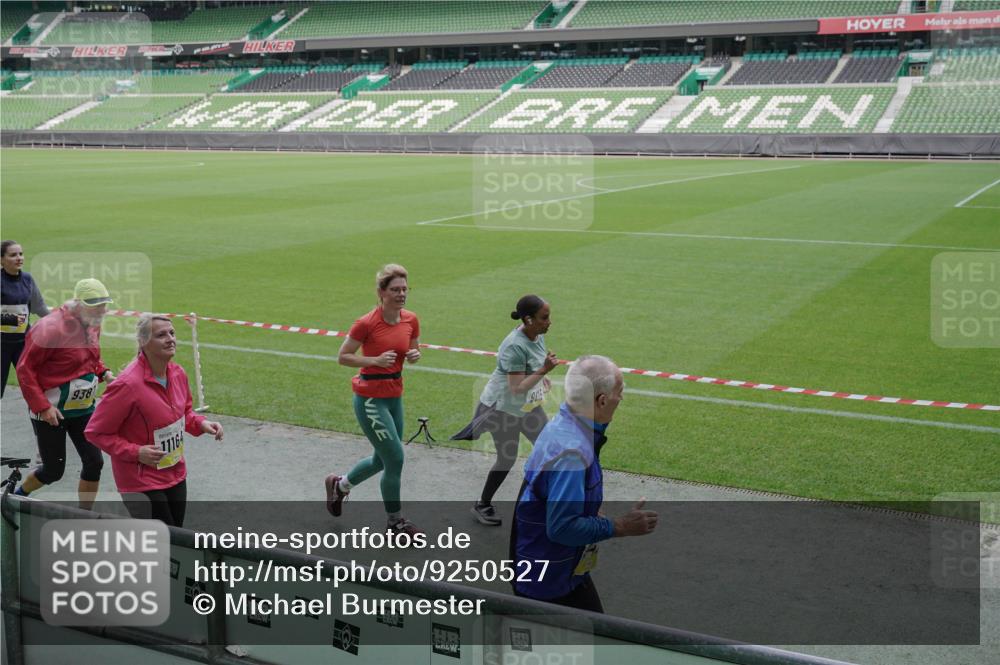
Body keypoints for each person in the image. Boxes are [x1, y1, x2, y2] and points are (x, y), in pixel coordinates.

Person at [511, 355, 658, 613]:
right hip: (548, 582)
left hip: (555, 569)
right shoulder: (573, 453)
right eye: (619, 392)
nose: (621, 399)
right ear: (602, 400)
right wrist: (620, 526)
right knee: (585, 643)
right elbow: (562, 528)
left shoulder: (563, 425)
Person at [84, 314, 224, 527]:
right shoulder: (127, 385)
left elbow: (183, 412)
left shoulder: (178, 374)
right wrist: (136, 452)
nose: (170, 339)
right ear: (143, 342)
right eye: (161, 335)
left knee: (175, 538)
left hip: (174, 472)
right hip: (140, 481)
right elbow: (95, 432)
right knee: (162, 540)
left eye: (172, 333)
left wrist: (201, 424)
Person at [326, 264, 423, 536]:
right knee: (395, 459)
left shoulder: (411, 319)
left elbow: (413, 349)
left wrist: (415, 356)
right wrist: (375, 360)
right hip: (370, 399)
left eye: (405, 289)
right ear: (381, 292)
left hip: (394, 396)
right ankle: (396, 523)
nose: (401, 294)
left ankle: (340, 486)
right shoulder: (366, 323)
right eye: (395, 289)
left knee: (383, 460)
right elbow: (343, 356)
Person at [452, 295, 557, 526]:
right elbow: (516, 388)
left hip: (527, 406)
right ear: (529, 320)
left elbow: (532, 368)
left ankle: (544, 500)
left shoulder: (537, 335)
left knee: (550, 448)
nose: (550, 321)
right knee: (507, 458)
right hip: (502, 409)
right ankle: (483, 504)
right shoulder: (514, 345)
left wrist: (541, 379)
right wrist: (543, 371)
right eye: (545, 317)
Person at [13, 278, 116, 509]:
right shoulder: (49, 329)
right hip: (51, 410)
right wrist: (43, 407)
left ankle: (84, 516)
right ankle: (17, 495)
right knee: (53, 470)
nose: (102, 310)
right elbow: (25, 370)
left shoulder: (93, 323)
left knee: (94, 461)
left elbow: (91, 358)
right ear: (79, 304)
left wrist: (104, 373)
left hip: (82, 408)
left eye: (104, 304)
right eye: (96, 305)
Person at [1, 240, 50, 397]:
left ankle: (43, 420)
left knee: (35, 385)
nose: (19, 258)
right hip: (1, 345)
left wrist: (59, 321)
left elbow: (39, 306)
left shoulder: (27, 279)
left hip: (23, 343)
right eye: (13, 255)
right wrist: (12, 320)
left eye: (21, 254)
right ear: (1, 260)